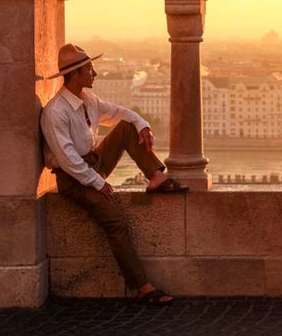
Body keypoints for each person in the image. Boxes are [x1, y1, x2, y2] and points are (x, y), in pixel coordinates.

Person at [40, 43, 188, 304]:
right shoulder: (55, 112)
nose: (94, 73)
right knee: (116, 223)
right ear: (74, 74)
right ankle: (143, 287)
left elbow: (120, 113)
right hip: (74, 179)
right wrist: (97, 183)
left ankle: (155, 176)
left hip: (93, 163)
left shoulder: (88, 100)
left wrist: (142, 125)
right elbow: (68, 159)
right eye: (89, 69)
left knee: (127, 127)